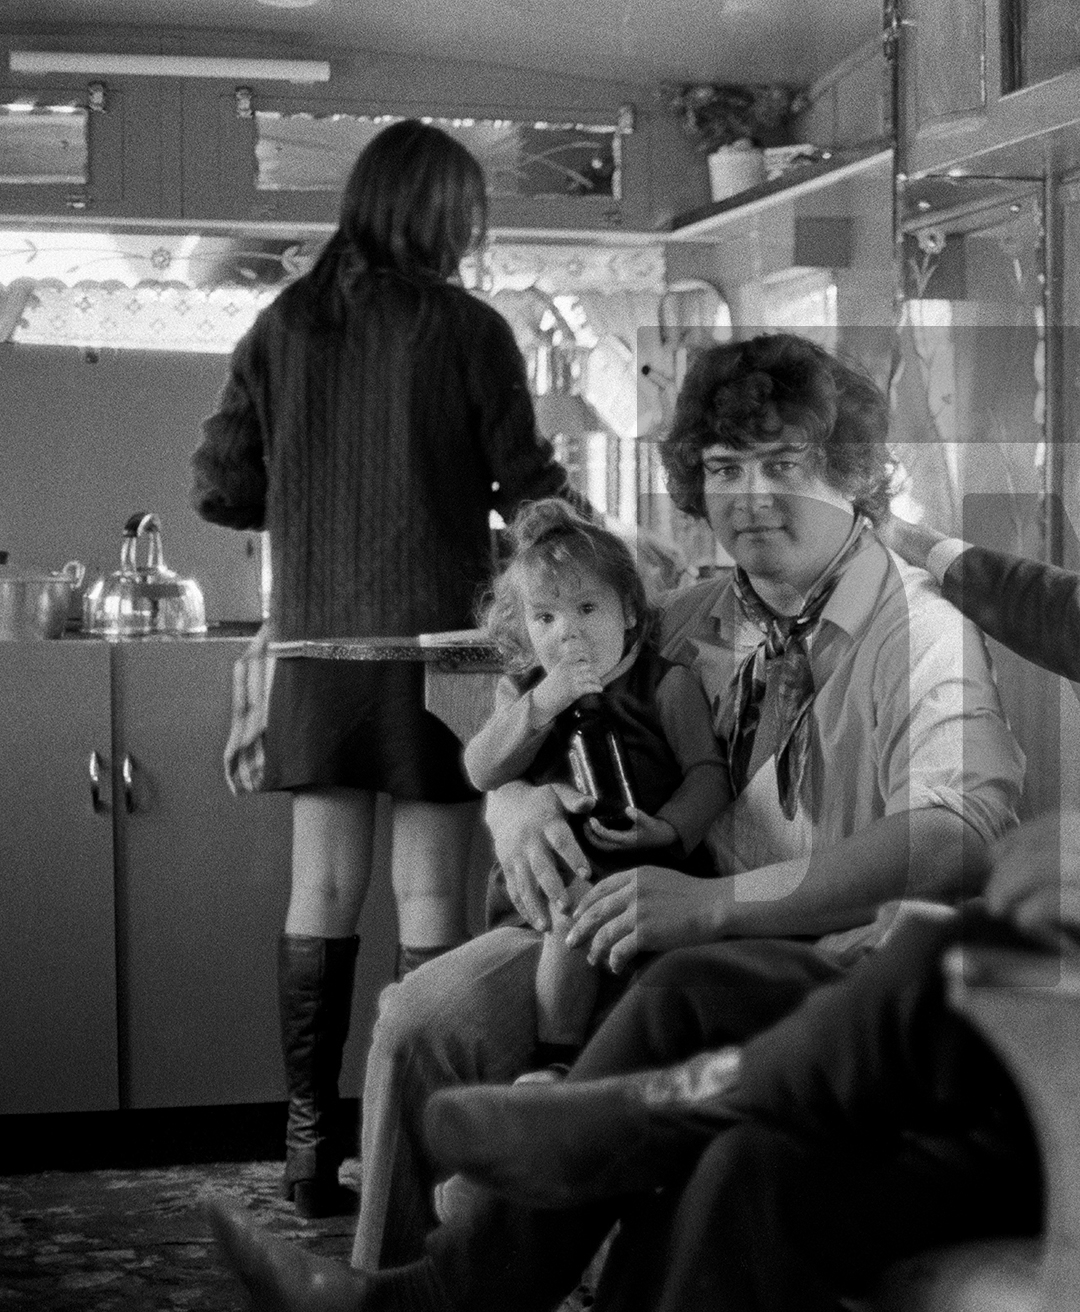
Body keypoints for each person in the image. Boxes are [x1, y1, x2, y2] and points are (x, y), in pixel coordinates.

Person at [203, 369, 1080, 1310]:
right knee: (524, 1015)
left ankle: (578, 1141)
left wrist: (997, 930)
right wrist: (512, 794)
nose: (753, 500)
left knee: (741, 1108)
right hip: (716, 928)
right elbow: (1072, 612)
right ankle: (429, 1289)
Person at [346, 331, 1027, 1268]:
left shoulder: (922, 632)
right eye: (723, 467)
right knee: (420, 1020)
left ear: (853, 475)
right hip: (630, 918)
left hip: (812, 956)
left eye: (783, 464)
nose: (750, 496)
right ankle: (386, 1285)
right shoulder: (693, 612)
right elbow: (523, 685)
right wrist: (515, 803)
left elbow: (957, 836)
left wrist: (713, 906)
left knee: (651, 1061)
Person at [190, 120, 570, 1218]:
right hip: (440, 653)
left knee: (320, 890)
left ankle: (307, 1151)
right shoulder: (470, 330)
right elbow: (526, 486)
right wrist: (594, 561)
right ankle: (414, 1142)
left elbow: (222, 488)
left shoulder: (284, 325)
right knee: (430, 892)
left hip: (318, 646)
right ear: (444, 217)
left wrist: (313, 488)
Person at [465, 498, 732, 1078]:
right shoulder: (524, 691)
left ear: (629, 612)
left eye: (587, 608)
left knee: (590, 917)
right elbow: (482, 769)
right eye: (546, 618)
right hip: (555, 878)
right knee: (571, 910)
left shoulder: (667, 684)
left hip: (648, 865)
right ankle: (555, 1059)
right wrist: (541, 703)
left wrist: (668, 828)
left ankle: (563, 1062)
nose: (569, 633)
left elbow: (708, 775)